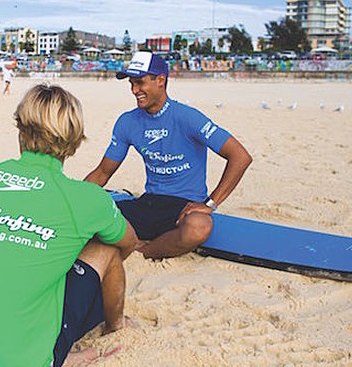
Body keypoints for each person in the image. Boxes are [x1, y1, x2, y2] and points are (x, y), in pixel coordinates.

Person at [0, 84, 138, 366]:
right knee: (107, 249)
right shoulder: (85, 199)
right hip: (24, 361)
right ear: (74, 139)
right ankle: (115, 326)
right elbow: (129, 242)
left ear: (21, 127)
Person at [85, 52, 252, 260]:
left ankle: (144, 251)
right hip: (148, 204)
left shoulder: (188, 117)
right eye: (131, 84)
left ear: (160, 80)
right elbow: (102, 172)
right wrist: (74, 201)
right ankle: (143, 244)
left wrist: (210, 204)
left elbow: (240, 157)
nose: (134, 90)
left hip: (184, 209)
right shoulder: (127, 122)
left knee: (199, 227)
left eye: (140, 82)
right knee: (88, 214)